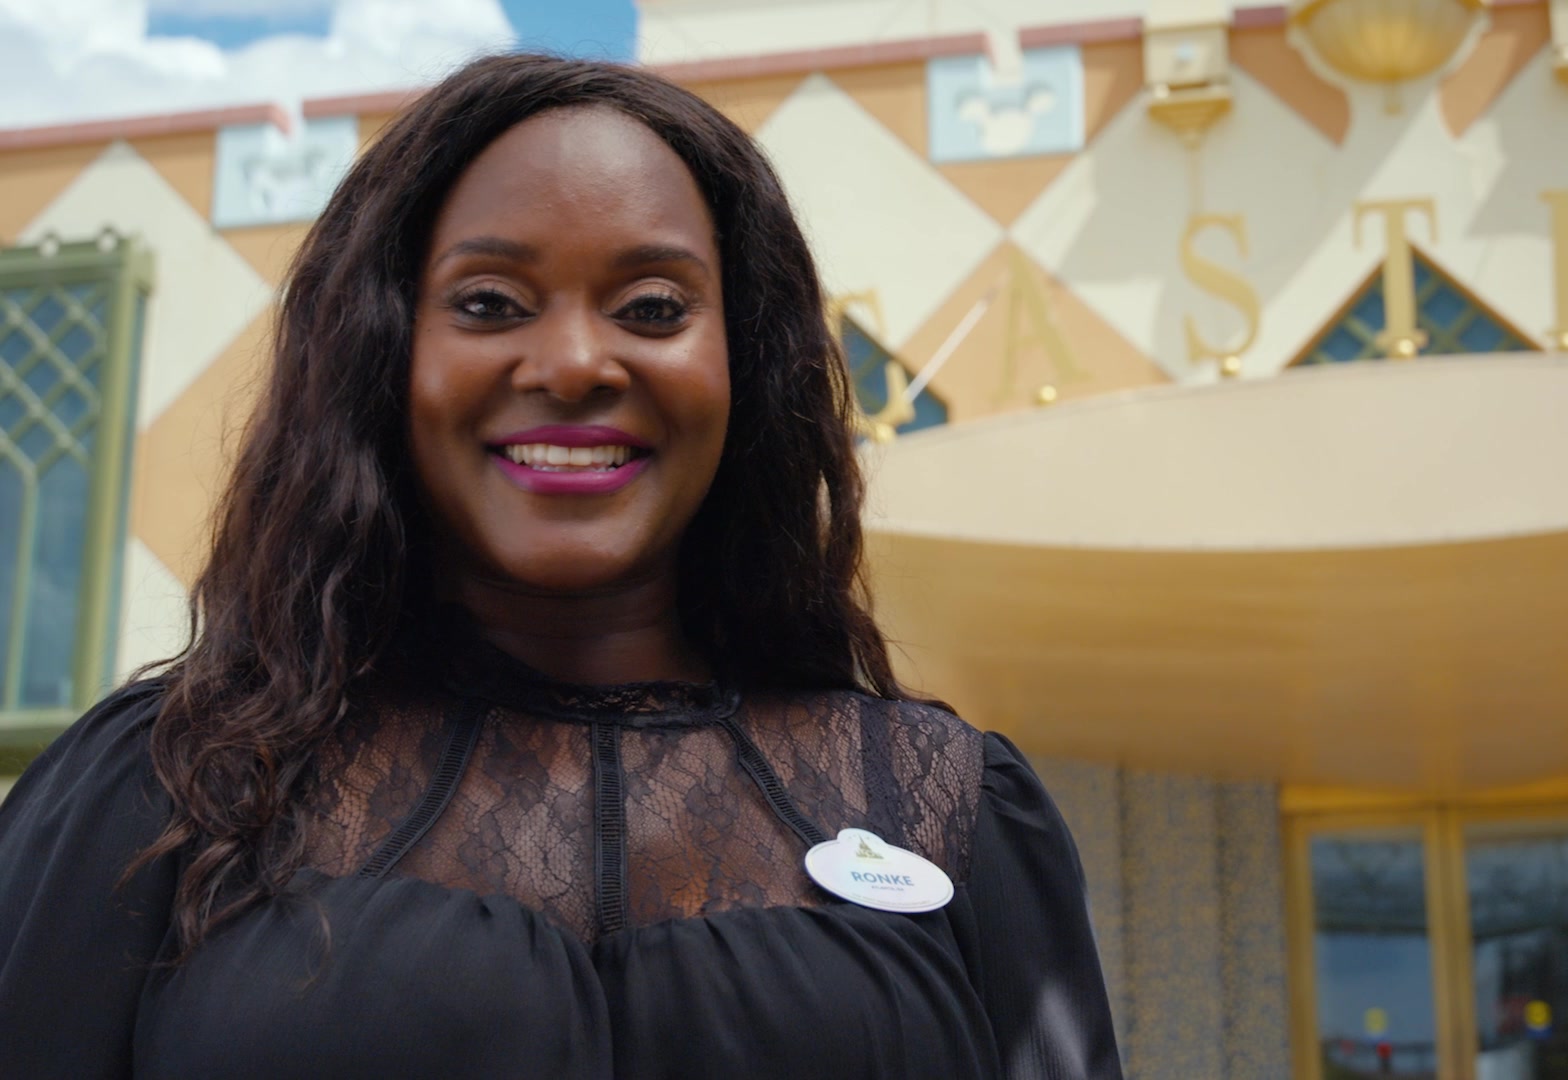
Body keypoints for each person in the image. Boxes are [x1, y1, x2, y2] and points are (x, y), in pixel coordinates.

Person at [0, 54, 1121, 1078]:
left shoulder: (947, 810)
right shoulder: (172, 786)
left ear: (743, 363)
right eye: (490, 304)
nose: (578, 363)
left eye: (652, 307)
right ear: (386, 354)